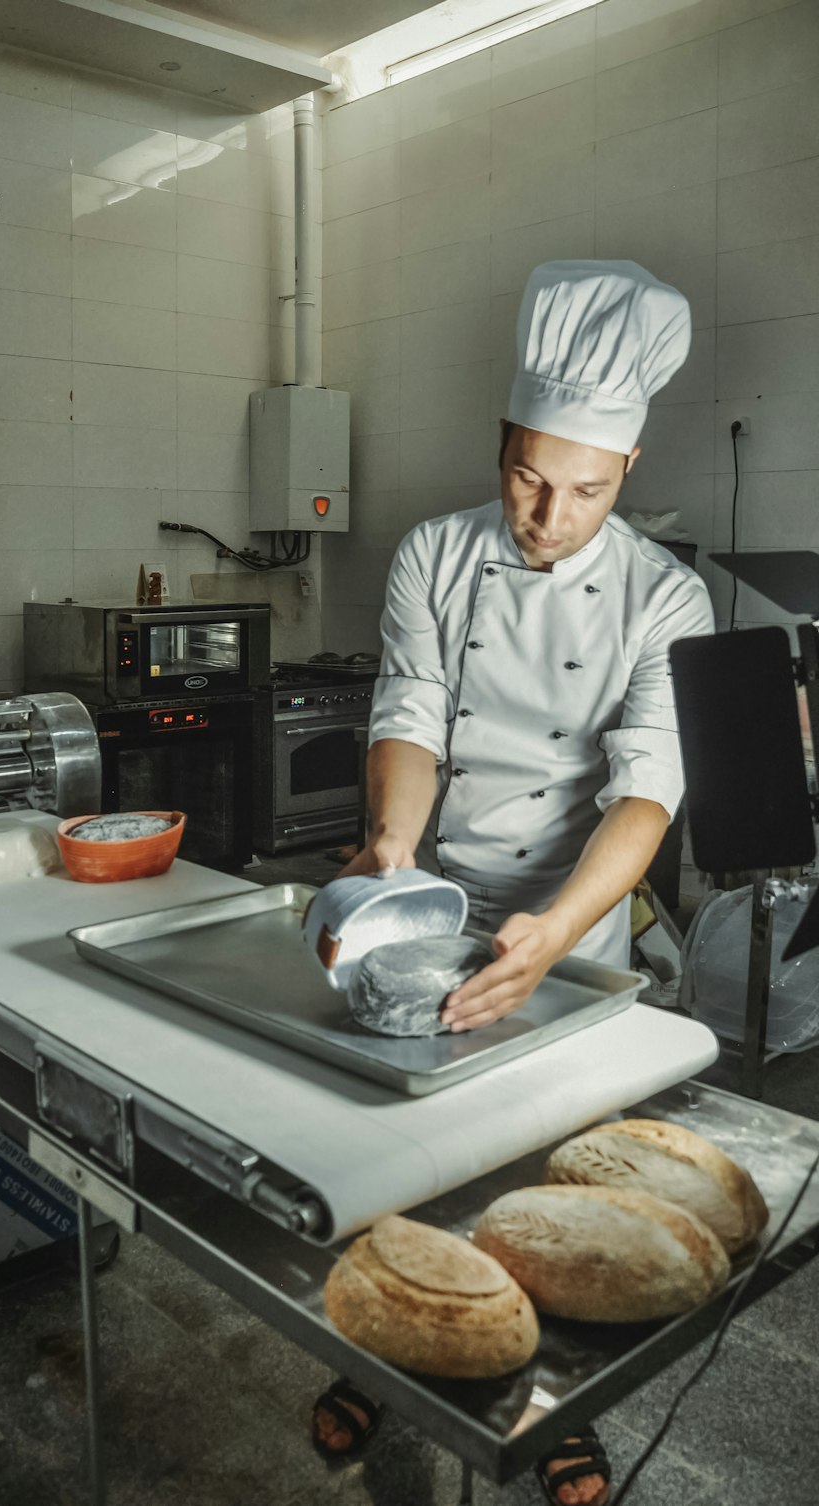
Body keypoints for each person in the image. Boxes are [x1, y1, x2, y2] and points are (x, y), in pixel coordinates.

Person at [311, 260, 715, 1506]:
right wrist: (391, 847)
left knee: (560, 1183)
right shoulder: (437, 553)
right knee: (418, 1155)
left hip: (583, 923)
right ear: (503, 445)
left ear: (626, 475)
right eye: (530, 477)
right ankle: (387, 1350)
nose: (549, 513)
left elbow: (647, 788)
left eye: (586, 489)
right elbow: (414, 711)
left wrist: (555, 934)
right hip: (442, 898)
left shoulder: (666, 596)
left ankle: (558, 1406)